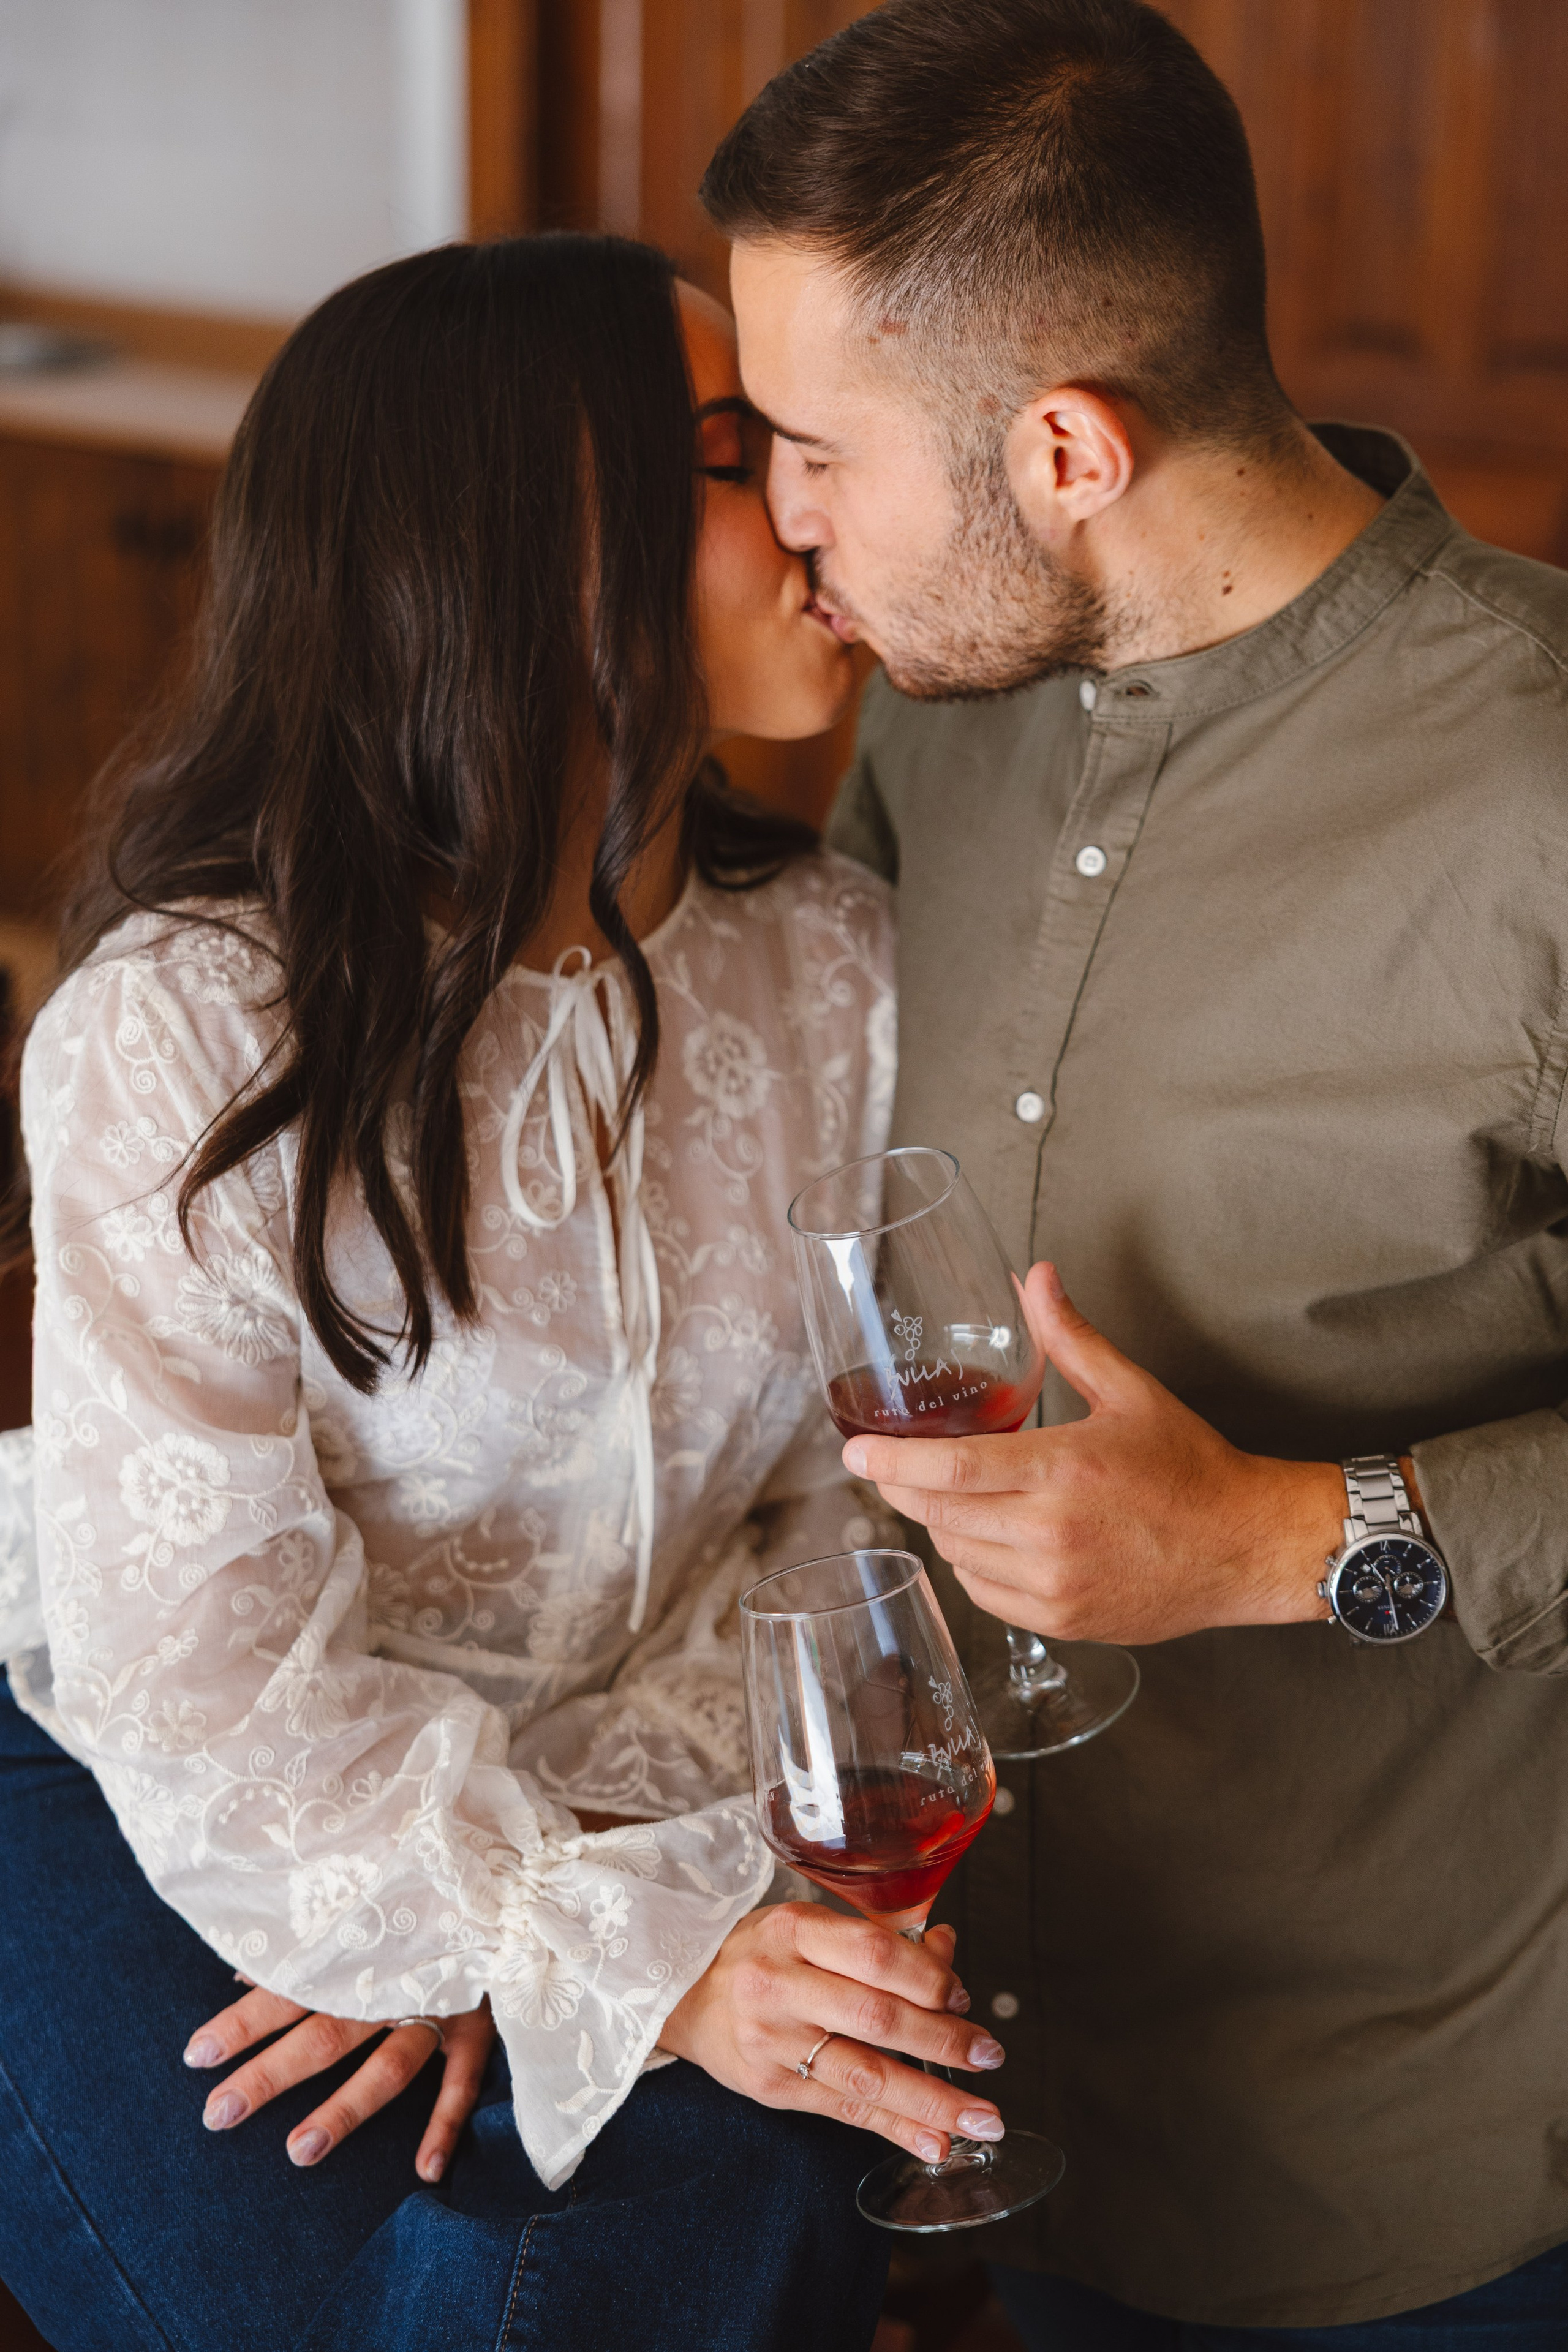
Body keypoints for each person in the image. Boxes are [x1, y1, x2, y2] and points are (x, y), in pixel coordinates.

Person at [0, 234, 1014, 2352]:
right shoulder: (181, 1040)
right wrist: (499, 1925)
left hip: (621, 1809)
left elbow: (835, 1524)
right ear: (532, 540)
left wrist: (576, 1915)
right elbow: (201, 1675)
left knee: (706, 2168)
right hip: (122, 1783)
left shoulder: (838, 971)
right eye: (743, 456)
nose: (818, 509)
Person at [700, 1, 1568, 2345]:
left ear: (1066, 444)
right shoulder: (942, 714)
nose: (782, 518)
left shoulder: (1546, 791)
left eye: (812, 446)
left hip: (1415, 2181)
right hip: (984, 2108)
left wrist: (1293, 1543)